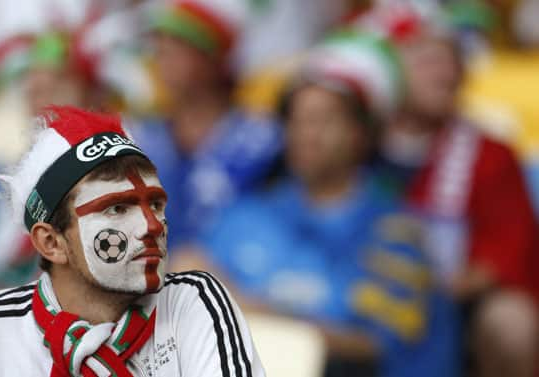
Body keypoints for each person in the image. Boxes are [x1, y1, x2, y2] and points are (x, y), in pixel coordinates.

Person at [175, 31, 458, 377]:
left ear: (360, 134)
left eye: (324, 120)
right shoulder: (244, 215)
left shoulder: (396, 234)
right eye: (296, 120)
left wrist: (240, 308)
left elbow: (373, 348)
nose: (306, 134)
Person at [0, 105, 265, 377]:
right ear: (51, 242)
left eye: (155, 204)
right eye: (117, 208)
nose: (151, 226)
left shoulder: (193, 304)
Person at [362, 3, 539, 376]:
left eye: (454, 60)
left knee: (512, 323)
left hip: (452, 302)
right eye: (428, 61)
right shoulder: (355, 141)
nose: (447, 73)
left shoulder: (491, 154)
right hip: (352, 290)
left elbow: (508, 254)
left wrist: (432, 289)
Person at [131, 0, 283, 249]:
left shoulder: (262, 141)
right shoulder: (143, 136)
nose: (162, 56)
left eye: (177, 46)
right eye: (159, 46)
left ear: (213, 58)